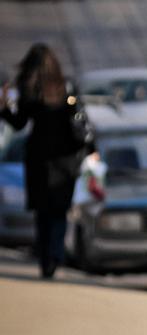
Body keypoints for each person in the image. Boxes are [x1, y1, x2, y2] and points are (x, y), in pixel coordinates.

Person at [0, 43, 92, 278]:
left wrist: (5, 108)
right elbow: (79, 121)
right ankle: (55, 254)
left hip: (39, 160)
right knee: (59, 212)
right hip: (64, 162)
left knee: (43, 213)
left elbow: (19, 123)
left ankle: (46, 259)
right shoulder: (65, 88)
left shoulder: (30, 91)